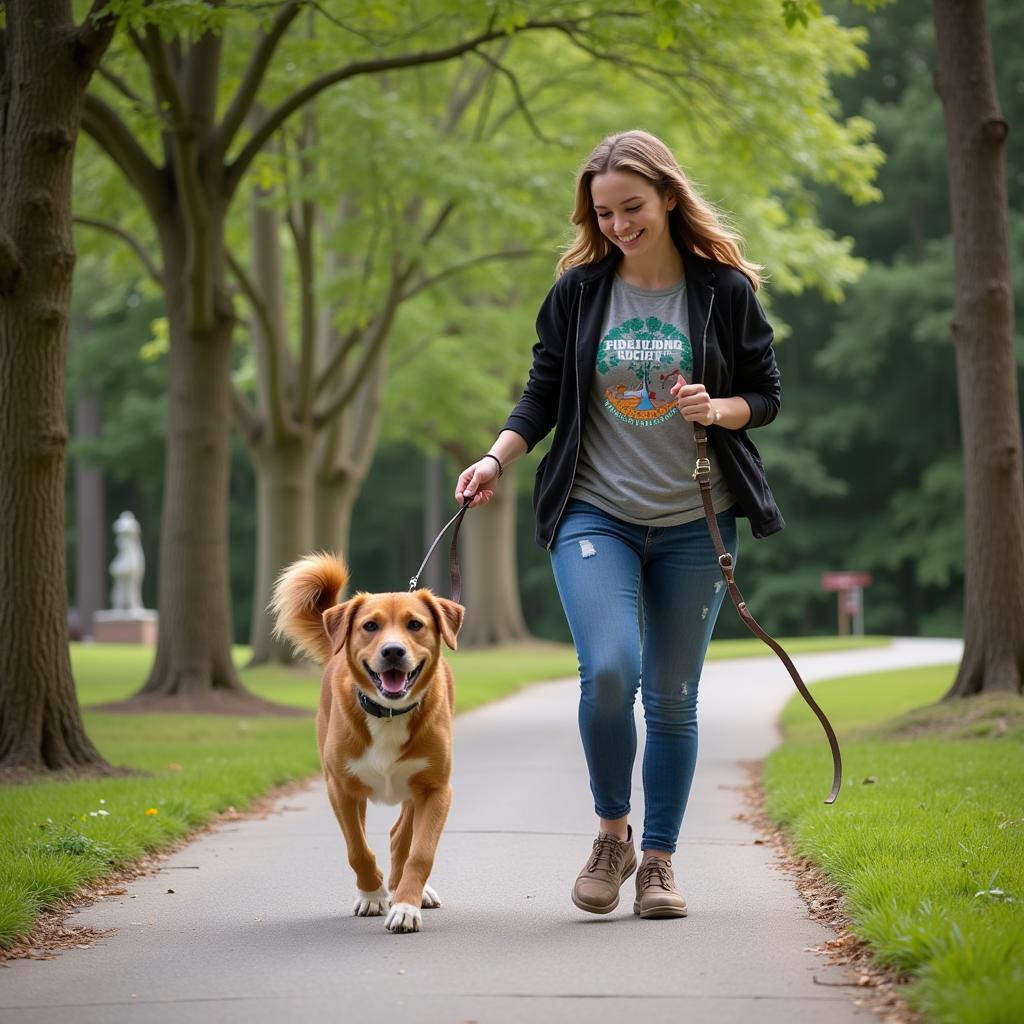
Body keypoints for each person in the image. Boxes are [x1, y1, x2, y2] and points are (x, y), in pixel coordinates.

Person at [455, 130, 783, 920]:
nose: (619, 226)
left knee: (672, 697)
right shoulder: (578, 293)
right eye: (604, 214)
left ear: (668, 196)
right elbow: (540, 393)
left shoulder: (722, 291)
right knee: (608, 671)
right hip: (594, 511)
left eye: (631, 207)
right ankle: (612, 834)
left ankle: (660, 862)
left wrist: (720, 407)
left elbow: (766, 393)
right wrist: (497, 458)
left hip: (693, 523)